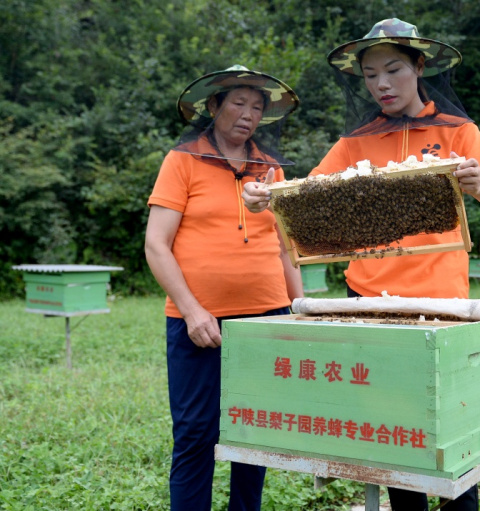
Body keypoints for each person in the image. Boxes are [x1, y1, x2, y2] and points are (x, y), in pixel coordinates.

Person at [244, 19, 480, 511]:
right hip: (368, 300)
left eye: (393, 70)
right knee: (397, 437)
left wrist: (476, 184)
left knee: (453, 436)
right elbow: (306, 195)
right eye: (370, 75)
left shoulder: (457, 131)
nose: (381, 84)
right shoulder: (356, 141)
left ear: (419, 67)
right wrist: (264, 197)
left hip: (440, 299)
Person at [145, 64, 304, 511]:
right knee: (196, 431)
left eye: (257, 106)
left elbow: (284, 247)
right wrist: (193, 310)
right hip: (199, 321)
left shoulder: (270, 168)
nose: (247, 114)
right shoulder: (183, 161)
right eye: (238, 102)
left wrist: (300, 308)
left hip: (267, 317)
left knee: (256, 430)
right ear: (213, 106)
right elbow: (156, 245)